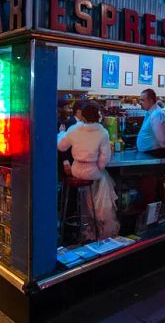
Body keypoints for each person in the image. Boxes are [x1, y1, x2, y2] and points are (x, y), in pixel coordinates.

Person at [57, 101, 119, 239]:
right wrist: (99, 167)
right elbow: (105, 158)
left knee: (100, 180)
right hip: (92, 171)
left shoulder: (74, 129)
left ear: (83, 117)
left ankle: (89, 215)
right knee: (104, 178)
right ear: (97, 116)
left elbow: (61, 146)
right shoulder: (102, 132)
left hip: (76, 170)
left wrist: (61, 133)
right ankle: (99, 217)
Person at [136, 89, 165, 157]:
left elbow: (162, 140)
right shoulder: (150, 113)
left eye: (142, 100)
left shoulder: (157, 114)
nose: (140, 102)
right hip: (148, 153)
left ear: (151, 101)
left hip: (154, 154)